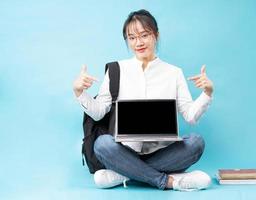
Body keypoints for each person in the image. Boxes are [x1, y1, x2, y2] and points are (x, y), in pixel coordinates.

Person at [73, 9, 214, 191]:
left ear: (156, 35)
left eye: (144, 35)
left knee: (196, 142)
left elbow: (191, 116)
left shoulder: (174, 73)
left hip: (163, 152)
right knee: (103, 144)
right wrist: (79, 92)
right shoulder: (117, 70)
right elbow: (99, 112)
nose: (138, 43)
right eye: (131, 38)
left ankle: (125, 174)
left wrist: (207, 92)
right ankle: (168, 181)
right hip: (124, 151)